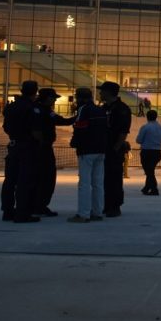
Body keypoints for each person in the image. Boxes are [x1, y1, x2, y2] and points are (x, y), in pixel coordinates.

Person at [1, 81, 40, 223]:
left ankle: (7, 211)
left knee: (10, 180)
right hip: (27, 146)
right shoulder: (31, 108)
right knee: (25, 180)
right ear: (35, 91)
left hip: (13, 144)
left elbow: (5, 127)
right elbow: (35, 129)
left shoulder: (12, 106)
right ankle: (22, 213)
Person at [67, 87, 108, 223]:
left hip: (87, 150)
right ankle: (98, 212)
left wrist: (75, 142)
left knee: (84, 183)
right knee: (98, 183)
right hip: (100, 150)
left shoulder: (83, 109)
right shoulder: (100, 110)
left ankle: (83, 214)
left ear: (80, 98)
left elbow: (79, 128)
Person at [31, 88, 73, 216]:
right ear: (46, 98)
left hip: (42, 147)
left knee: (43, 177)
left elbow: (61, 120)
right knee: (46, 177)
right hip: (41, 148)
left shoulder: (44, 109)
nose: (55, 100)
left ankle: (38, 205)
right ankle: (39, 205)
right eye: (53, 97)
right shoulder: (39, 110)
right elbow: (60, 121)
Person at [100, 81, 132, 218]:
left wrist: (116, 148)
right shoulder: (103, 108)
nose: (100, 93)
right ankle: (105, 204)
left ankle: (114, 205)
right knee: (103, 179)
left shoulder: (121, 109)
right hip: (102, 148)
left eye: (102, 91)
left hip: (113, 149)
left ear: (108, 92)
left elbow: (123, 132)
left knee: (114, 179)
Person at [136, 109, 161, 196]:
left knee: (149, 171)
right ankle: (146, 187)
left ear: (147, 117)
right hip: (157, 151)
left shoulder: (145, 127)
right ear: (156, 117)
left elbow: (139, 140)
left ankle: (154, 189)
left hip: (147, 151)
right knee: (150, 170)